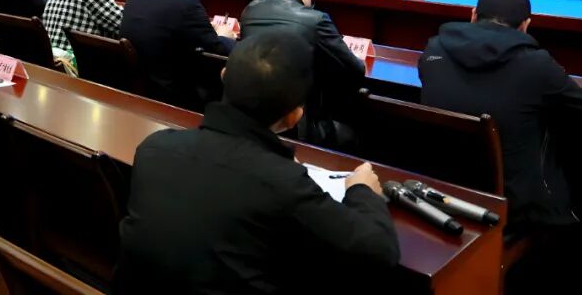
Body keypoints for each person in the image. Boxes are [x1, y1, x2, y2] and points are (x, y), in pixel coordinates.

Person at [115, 32, 400, 294]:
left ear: (224, 75)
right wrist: (361, 190)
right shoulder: (284, 184)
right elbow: (379, 251)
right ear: (294, 117)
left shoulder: (154, 148)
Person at [418, 0, 582, 238]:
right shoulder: (537, 63)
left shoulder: (434, 49)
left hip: (439, 185)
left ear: (473, 14)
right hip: (509, 202)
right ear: (525, 26)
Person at [240, 0, 363, 146]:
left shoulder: (250, 10)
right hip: (297, 122)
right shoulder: (316, 19)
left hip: (251, 112)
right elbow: (355, 69)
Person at [120, 0, 237, 109]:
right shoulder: (187, 4)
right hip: (173, 94)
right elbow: (217, 48)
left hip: (138, 85)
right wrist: (224, 35)